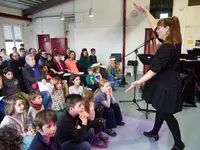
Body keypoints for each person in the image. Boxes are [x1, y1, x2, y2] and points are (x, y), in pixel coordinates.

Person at [126, 3, 184, 150]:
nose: (156, 29)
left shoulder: (166, 47)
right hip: (168, 81)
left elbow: (154, 70)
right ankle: (154, 132)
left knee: (167, 114)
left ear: (167, 29)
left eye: (159, 27)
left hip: (167, 84)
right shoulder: (176, 41)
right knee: (160, 109)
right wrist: (145, 12)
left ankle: (179, 143)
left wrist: (138, 81)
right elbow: (154, 24)